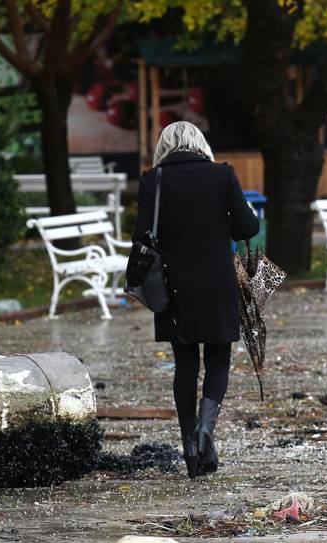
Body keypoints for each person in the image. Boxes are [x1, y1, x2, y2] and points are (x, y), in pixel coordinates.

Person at [131, 121, 259, 479]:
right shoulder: (222, 176)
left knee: (185, 363)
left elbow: (142, 236)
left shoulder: (152, 181)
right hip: (218, 282)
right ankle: (206, 430)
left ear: (165, 147)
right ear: (199, 144)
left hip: (172, 287)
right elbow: (248, 228)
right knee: (218, 359)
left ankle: (190, 445)